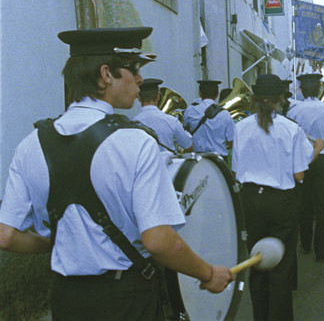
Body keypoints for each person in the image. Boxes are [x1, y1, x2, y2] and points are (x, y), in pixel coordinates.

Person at [0, 27, 234, 320]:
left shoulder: (30, 144)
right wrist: (208, 272)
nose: (139, 78)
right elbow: (158, 240)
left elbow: (6, 236)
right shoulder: (136, 142)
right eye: (133, 68)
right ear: (106, 74)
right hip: (126, 299)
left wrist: (59, 242)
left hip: (65, 298)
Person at [233, 74, 324, 321]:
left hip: (250, 199)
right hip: (281, 201)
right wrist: (315, 150)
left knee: (257, 262)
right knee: (280, 266)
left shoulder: (240, 127)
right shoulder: (291, 128)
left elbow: (236, 170)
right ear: (280, 99)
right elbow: (299, 174)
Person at [286, 72, 324, 261]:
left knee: (304, 203)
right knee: (323, 207)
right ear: (319, 89)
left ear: (301, 89)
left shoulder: (293, 110)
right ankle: (321, 251)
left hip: (301, 159)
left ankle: (305, 244)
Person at [134, 78, 193, 153]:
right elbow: (188, 146)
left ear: (138, 97)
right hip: (168, 164)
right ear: (158, 96)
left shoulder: (133, 123)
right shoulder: (172, 121)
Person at [183, 80, 235, 158]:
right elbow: (232, 142)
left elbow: (184, 130)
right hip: (219, 159)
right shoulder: (225, 114)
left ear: (200, 93)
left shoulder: (190, 111)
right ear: (217, 94)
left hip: (198, 160)